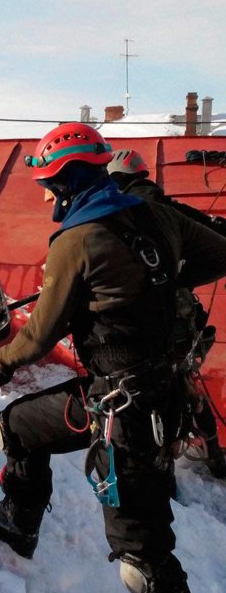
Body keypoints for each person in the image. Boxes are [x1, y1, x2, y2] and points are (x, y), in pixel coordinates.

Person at [0, 123, 226, 593]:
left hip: (128, 412)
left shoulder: (75, 242)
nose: (45, 199)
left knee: (143, 563)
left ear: (67, 181)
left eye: (48, 187)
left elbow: (40, 335)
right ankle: (19, 522)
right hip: (130, 395)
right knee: (15, 427)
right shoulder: (158, 216)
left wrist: (2, 361)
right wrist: (160, 277)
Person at [108, 148, 226, 478]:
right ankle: (215, 456)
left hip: (153, 321)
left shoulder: (123, 212)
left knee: (155, 395)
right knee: (185, 385)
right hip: (183, 318)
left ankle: (164, 473)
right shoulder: (171, 210)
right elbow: (215, 238)